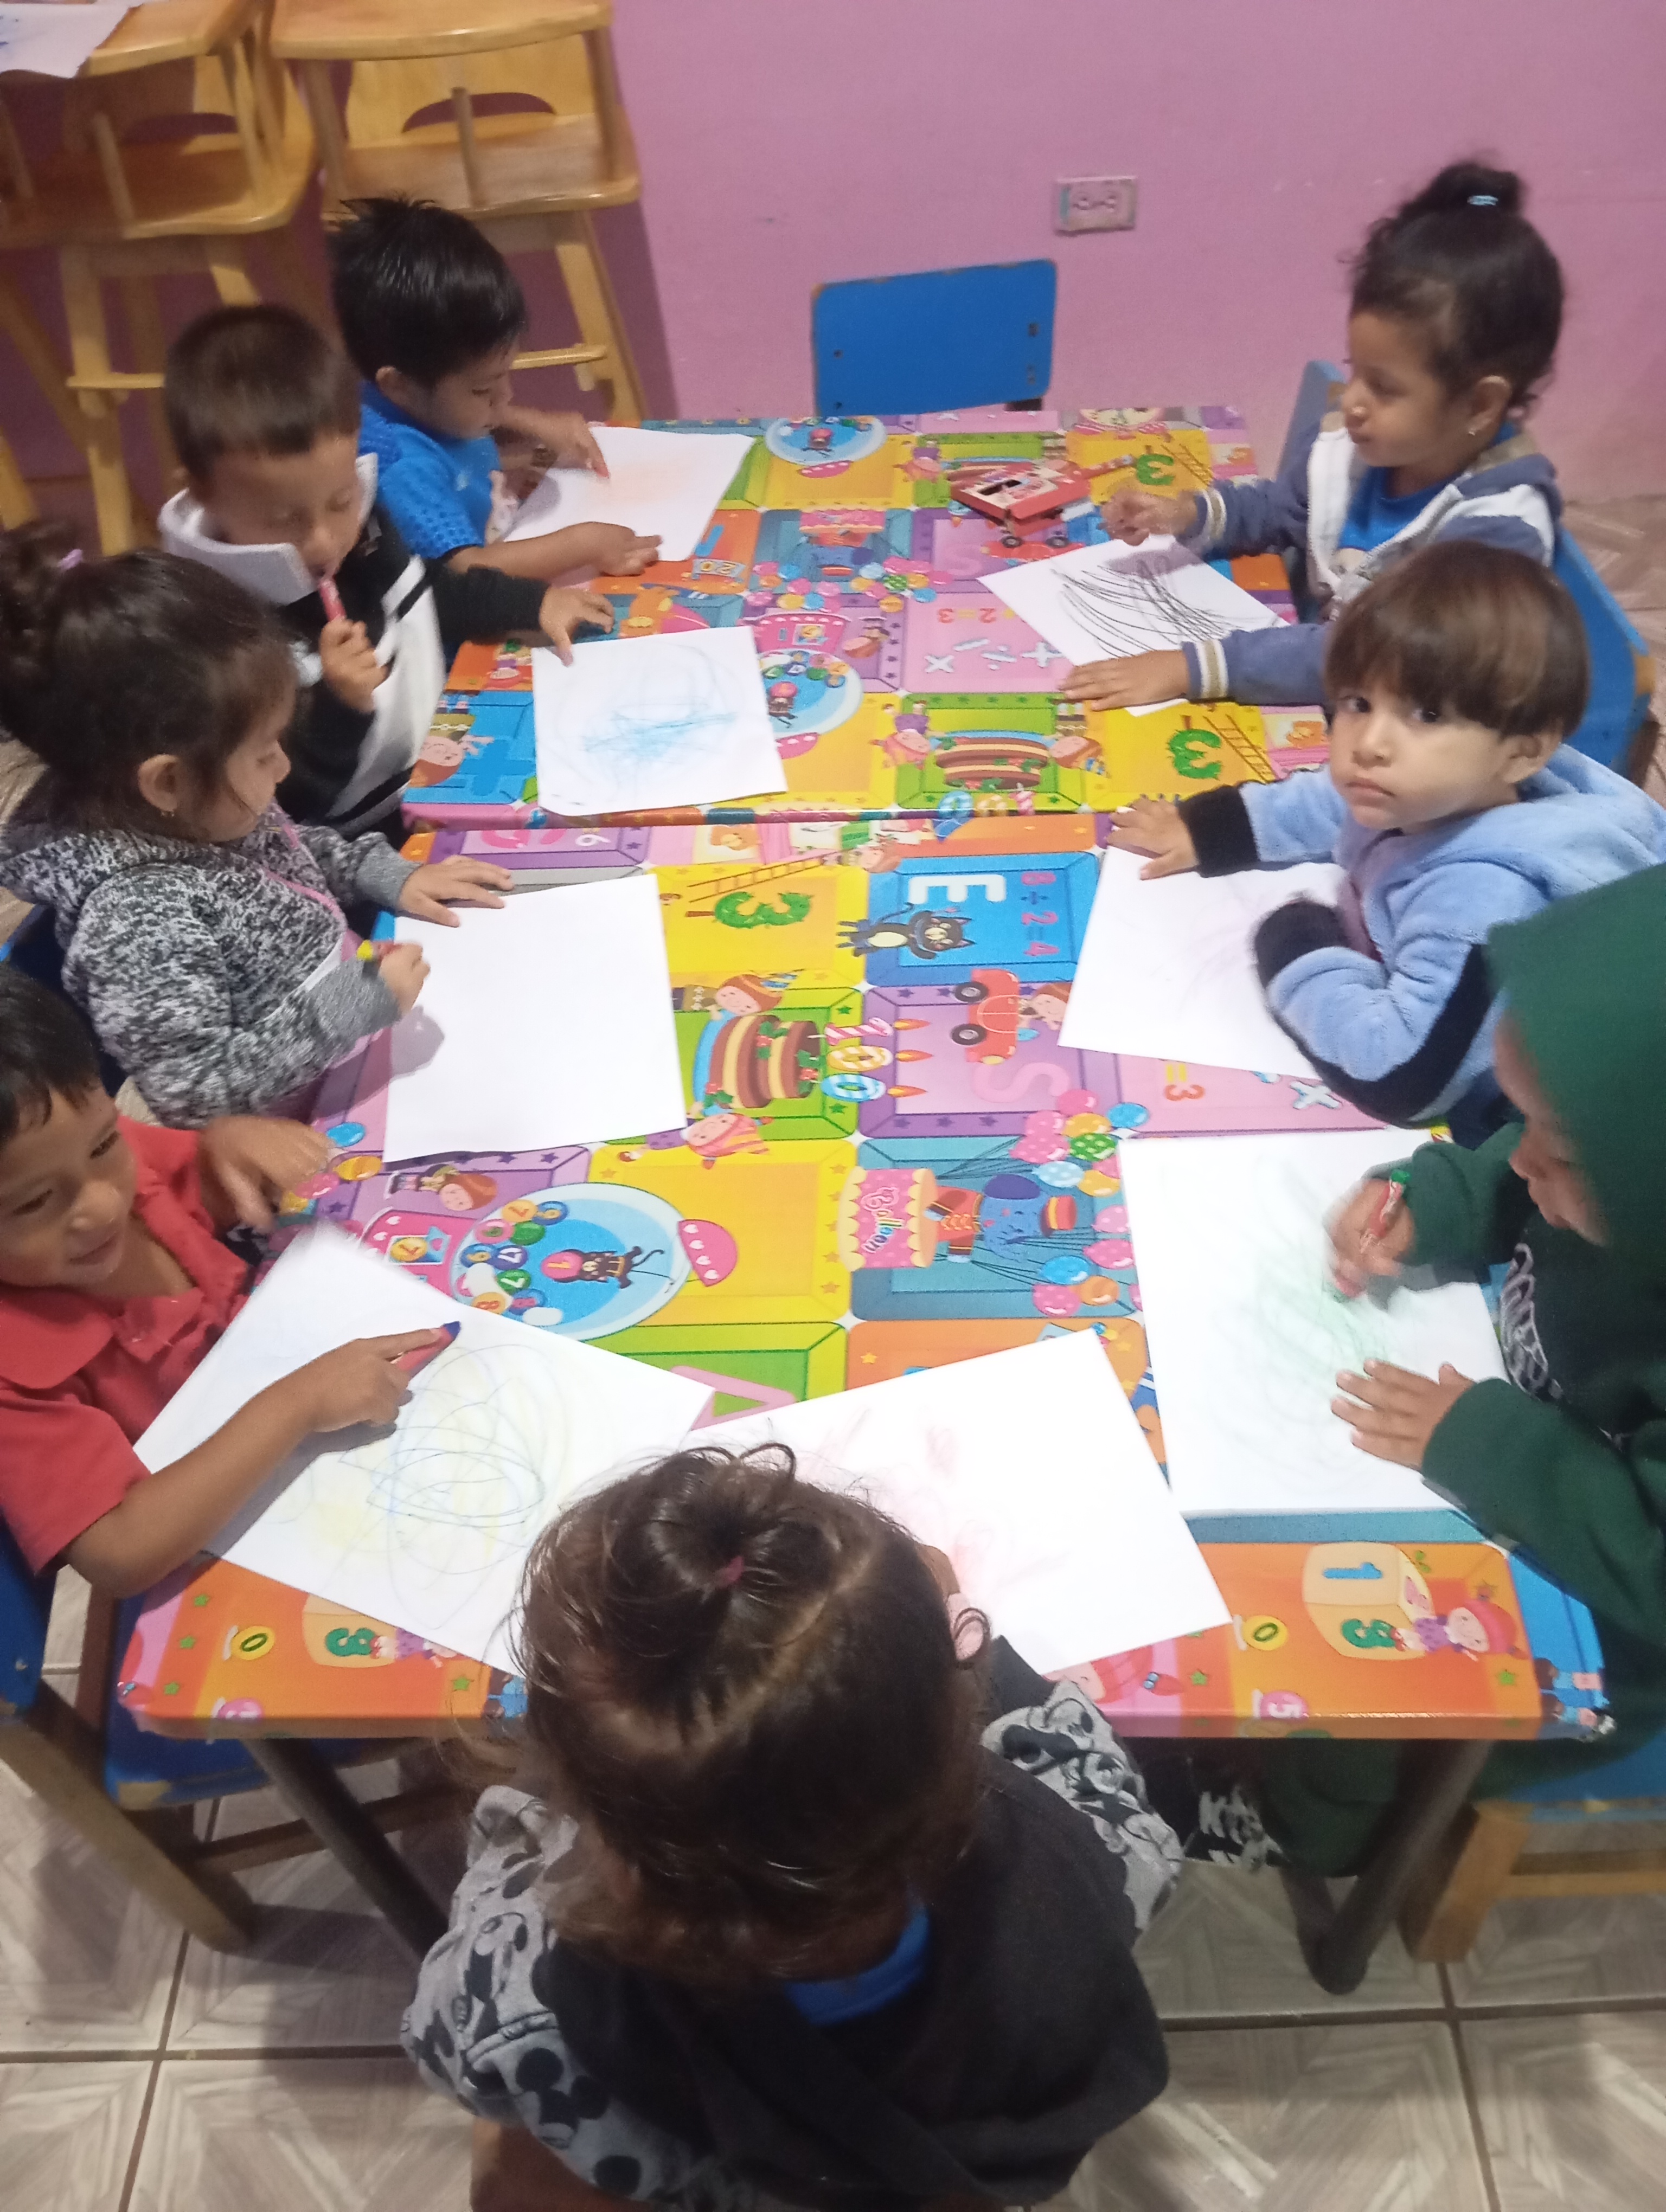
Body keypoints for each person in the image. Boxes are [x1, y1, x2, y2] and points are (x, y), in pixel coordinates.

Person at [403, 1445, 1180, 2212]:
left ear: (599, 1823)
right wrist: (970, 1653)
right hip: (945, 2169)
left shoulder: (526, 1994)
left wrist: (528, 1813)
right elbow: (1108, 1794)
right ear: (952, 1727)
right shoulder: (1090, 1872)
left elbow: (447, 2045)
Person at [1258, 865, 1666, 1874]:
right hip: (1506, 1434)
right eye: (1524, 1124)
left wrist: (1488, 1442)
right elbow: (1507, 1175)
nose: (1524, 1160)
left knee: (1357, 1675)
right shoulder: (1597, 1161)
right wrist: (1432, 1200)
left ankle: (1310, 1835)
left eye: (1563, 1154)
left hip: (1605, 1627)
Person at [1107, 543, 1666, 1139]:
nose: (1369, 744)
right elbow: (1330, 803)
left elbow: (1401, 1076)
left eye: (1427, 716)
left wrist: (1296, 943)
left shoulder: (1485, 900)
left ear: (1523, 752)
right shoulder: (1438, 786)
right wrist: (1208, 829)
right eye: (1358, 703)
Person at [0, 528, 510, 1126]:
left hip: (361, 1050)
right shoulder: (136, 925)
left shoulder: (200, 809)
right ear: (167, 782)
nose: (285, 767)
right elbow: (193, 1094)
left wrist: (387, 875)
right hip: (306, 1127)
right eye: (266, 750)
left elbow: (292, 848)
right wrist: (347, 1009)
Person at [0, 970, 451, 1596]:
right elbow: (118, 1554)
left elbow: (197, 1190)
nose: (102, 1205)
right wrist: (297, 1406)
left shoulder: (75, 1150)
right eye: (34, 1202)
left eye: (104, 1144)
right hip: (234, 1541)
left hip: (303, 1383)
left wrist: (226, 1146)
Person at [1062, 162, 1565, 711]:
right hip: (1322, 688)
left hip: (1400, 732)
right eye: (1355, 371)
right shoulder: (1360, 451)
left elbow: (1375, 656)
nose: (1352, 402)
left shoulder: (1497, 537)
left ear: (1480, 405)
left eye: (1384, 387)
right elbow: (1283, 510)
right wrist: (1188, 513)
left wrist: (1198, 667)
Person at [159, 304, 616, 838]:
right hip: (350, 846)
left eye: (340, 500)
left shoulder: (363, 525)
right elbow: (277, 807)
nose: (325, 540)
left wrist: (532, 603)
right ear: (204, 494)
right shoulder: (207, 632)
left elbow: (426, 591)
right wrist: (338, 707)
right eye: (284, 520)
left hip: (434, 782)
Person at [329, 197, 661, 587]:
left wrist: (528, 423)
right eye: (483, 389)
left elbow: (452, 428)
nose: (506, 396)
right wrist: (581, 545)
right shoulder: (403, 468)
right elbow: (463, 571)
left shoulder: (423, 402)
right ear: (400, 385)